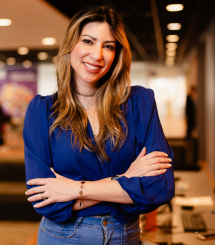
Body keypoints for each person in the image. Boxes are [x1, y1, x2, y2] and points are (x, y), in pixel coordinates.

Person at [24, 6, 174, 245]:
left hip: (125, 236)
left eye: (108, 46)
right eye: (88, 41)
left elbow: (159, 187)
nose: (97, 55)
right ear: (71, 45)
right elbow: (45, 201)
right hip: (63, 236)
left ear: (117, 54)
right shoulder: (42, 111)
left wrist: (74, 189)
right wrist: (127, 177)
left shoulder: (140, 102)